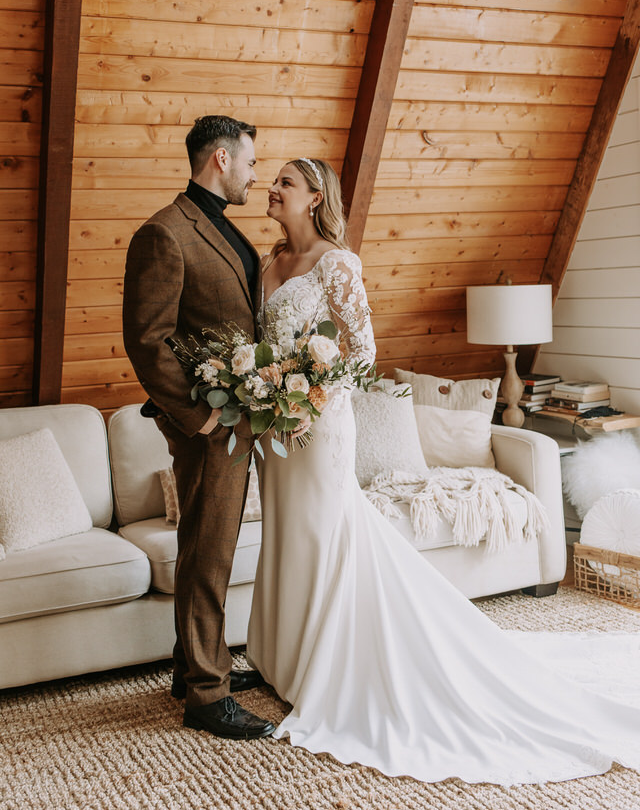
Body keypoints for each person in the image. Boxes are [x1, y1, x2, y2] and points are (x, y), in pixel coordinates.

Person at [246, 156, 640, 784]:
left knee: (323, 532)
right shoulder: (266, 263)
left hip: (319, 425)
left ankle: (327, 665)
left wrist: (309, 395)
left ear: (316, 196)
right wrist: (268, 390)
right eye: (273, 182)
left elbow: (363, 350)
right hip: (277, 427)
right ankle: (282, 659)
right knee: (287, 535)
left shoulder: (337, 263)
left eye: (285, 183)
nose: (271, 189)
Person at [122, 115, 275, 740]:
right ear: (220, 158)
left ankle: (194, 666)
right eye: (251, 162)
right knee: (211, 553)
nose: (255, 174)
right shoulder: (163, 233)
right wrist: (202, 414)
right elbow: (147, 339)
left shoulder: (223, 227)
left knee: (207, 547)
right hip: (207, 425)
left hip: (239, 416)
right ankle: (207, 697)